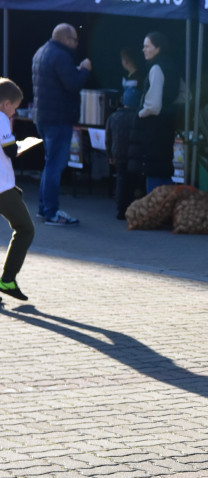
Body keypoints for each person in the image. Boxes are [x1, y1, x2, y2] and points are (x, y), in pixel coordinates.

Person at [31, 23, 92, 226]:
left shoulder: (41, 52)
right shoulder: (61, 56)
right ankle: (51, 212)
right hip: (59, 119)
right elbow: (72, 84)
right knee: (55, 166)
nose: (76, 44)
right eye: (74, 40)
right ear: (66, 39)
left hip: (44, 117)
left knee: (49, 165)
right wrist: (84, 70)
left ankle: (44, 209)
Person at [0, 78, 35, 301]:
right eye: (14, 107)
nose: (14, 112)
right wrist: (20, 147)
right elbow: (10, 151)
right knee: (25, 228)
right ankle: (7, 280)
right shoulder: (2, 119)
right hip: (2, 188)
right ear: (5, 104)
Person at [138, 31, 182, 193]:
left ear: (158, 48)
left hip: (155, 127)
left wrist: (140, 113)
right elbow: (185, 95)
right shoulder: (172, 66)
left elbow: (153, 106)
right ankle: (165, 209)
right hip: (169, 123)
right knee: (165, 168)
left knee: (154, 169)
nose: (144, 50)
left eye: (147, 46)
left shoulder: (156, 68)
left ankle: (155, 211)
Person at [106, 47, 144, 220]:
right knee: (135, 180)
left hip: (119, 153)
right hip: (135, 155)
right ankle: (135, 210)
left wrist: (110, 154)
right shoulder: (139, 118)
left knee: (121, 181)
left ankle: (121, 210)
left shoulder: (114, 117)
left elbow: (108, 137)